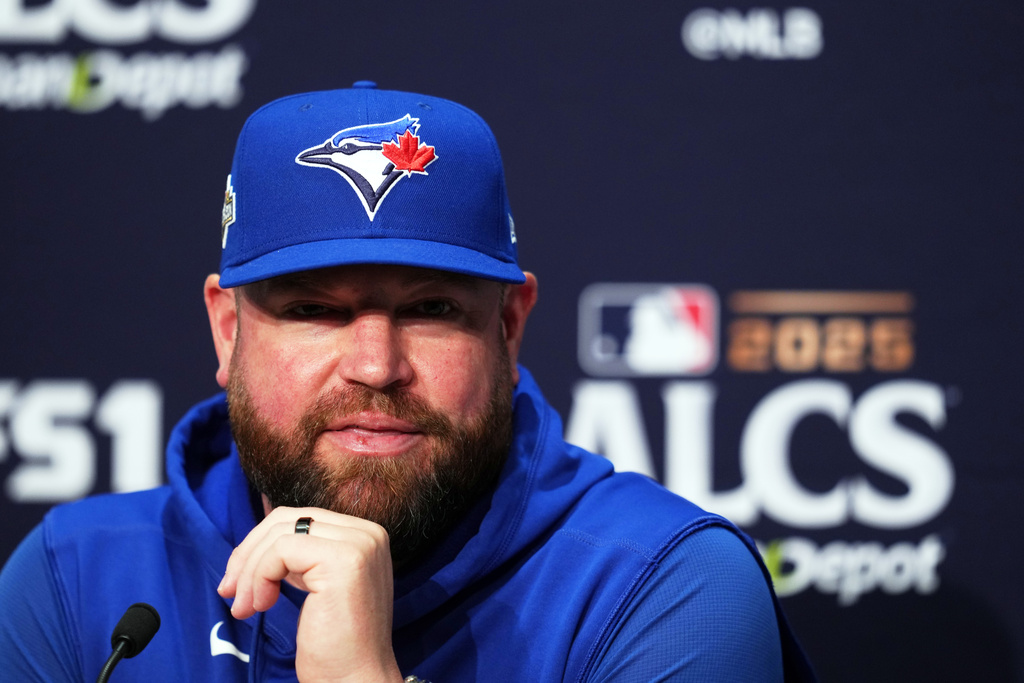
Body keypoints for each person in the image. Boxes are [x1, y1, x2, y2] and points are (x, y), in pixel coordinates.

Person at [0, 83, 815, 682]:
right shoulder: (80, 581)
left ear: (508, 325)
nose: (376, 365)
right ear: (227, 328)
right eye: (314, 309)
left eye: (429, 308)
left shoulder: (664, 587)